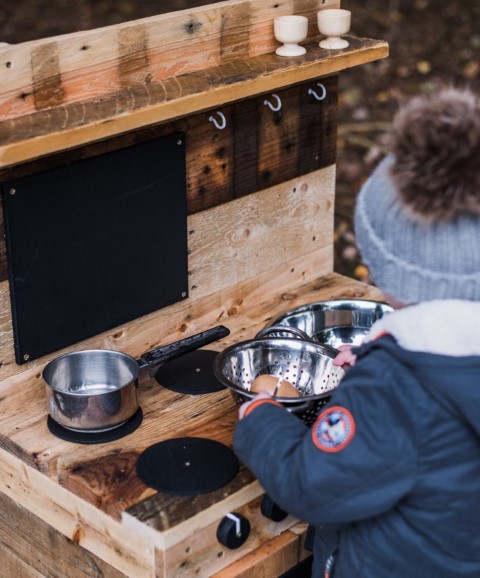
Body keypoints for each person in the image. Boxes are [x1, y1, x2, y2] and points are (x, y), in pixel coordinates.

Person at [233, 86, 480, 577]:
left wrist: (260, 412)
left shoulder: (396, 389)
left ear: (392, 272)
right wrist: (373, 361)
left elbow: (312, 485)